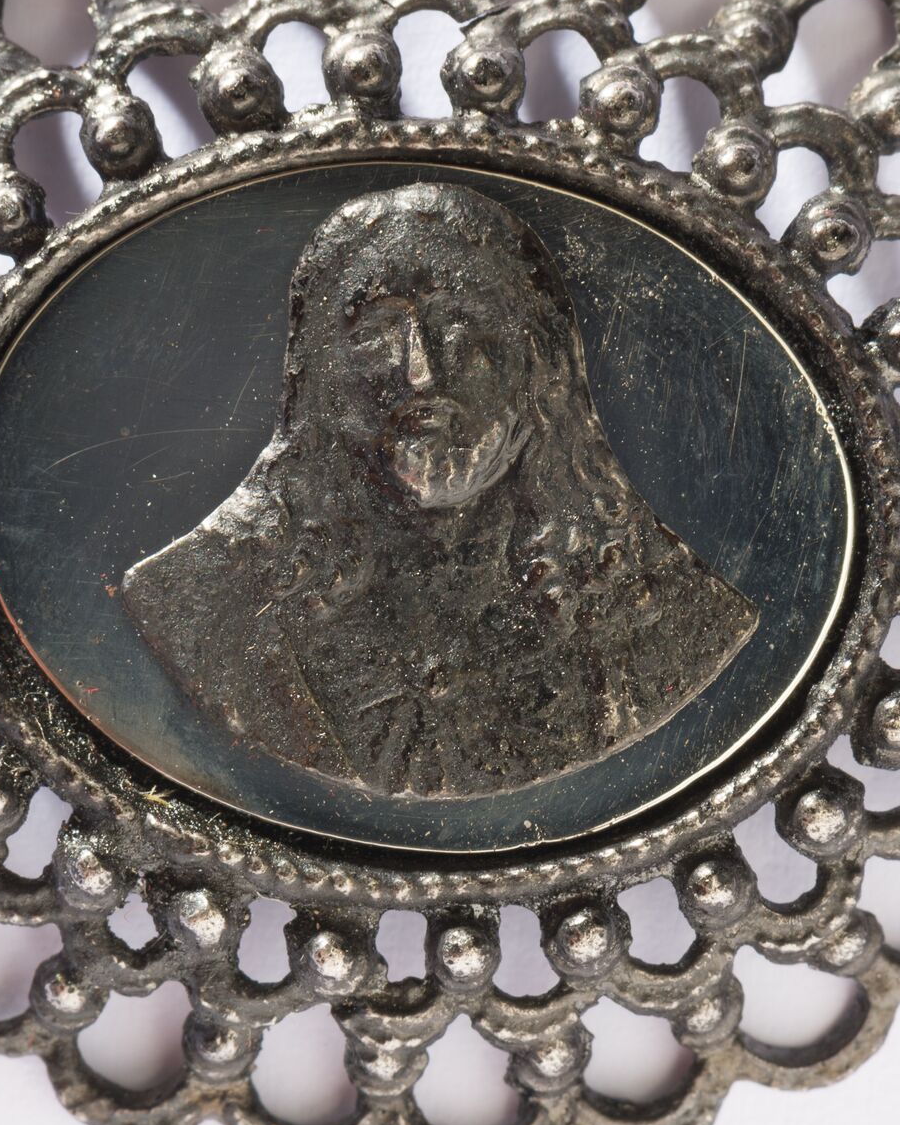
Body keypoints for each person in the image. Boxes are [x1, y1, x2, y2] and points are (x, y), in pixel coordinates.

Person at [121, 182, 756, 800]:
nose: (419, 370)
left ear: (536, 354)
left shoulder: (664, 611)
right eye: (373, 332)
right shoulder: (211, 598)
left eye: (458, 320)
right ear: (317, 377)